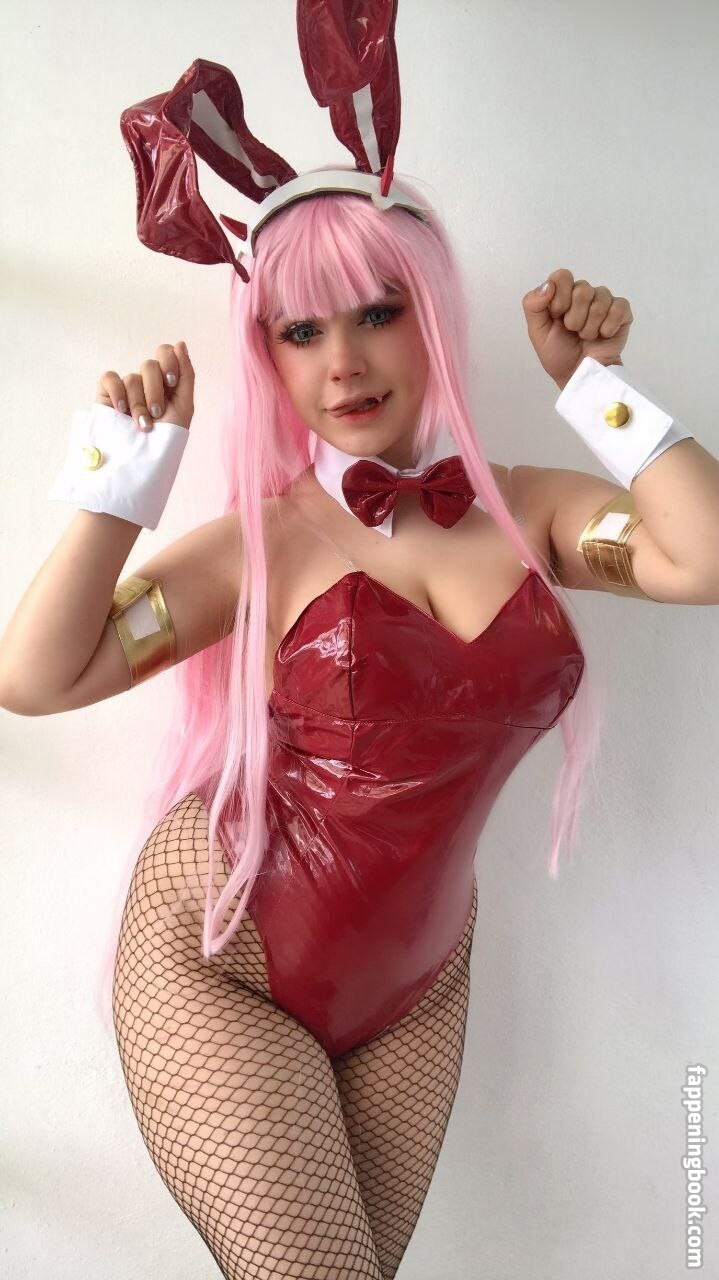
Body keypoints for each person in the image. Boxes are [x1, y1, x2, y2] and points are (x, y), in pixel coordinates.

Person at [3, 27, 717, 1280]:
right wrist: (119, 486)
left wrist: (595, 387)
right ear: (266, 354)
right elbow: (37, 675)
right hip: (221, 949)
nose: (342, 361)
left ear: (429, 315)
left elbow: (698, 557)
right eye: (299, 331)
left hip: (418, 984)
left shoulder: (530, 510)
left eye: (378, 313)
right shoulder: (266, 540)